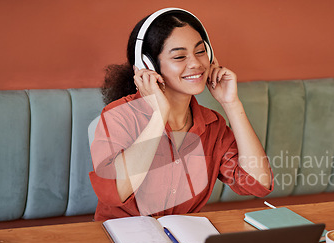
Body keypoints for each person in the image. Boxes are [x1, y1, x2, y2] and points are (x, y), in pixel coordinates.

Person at [89, 8, 273, 220]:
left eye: (200, 51)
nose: (195, 63)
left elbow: (257, 184)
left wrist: (231, 104)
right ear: (148, 66)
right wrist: (159, 116)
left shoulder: (213, 125)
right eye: (179, 56)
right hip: (119, 240)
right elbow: (113, 193)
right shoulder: (119, 116)